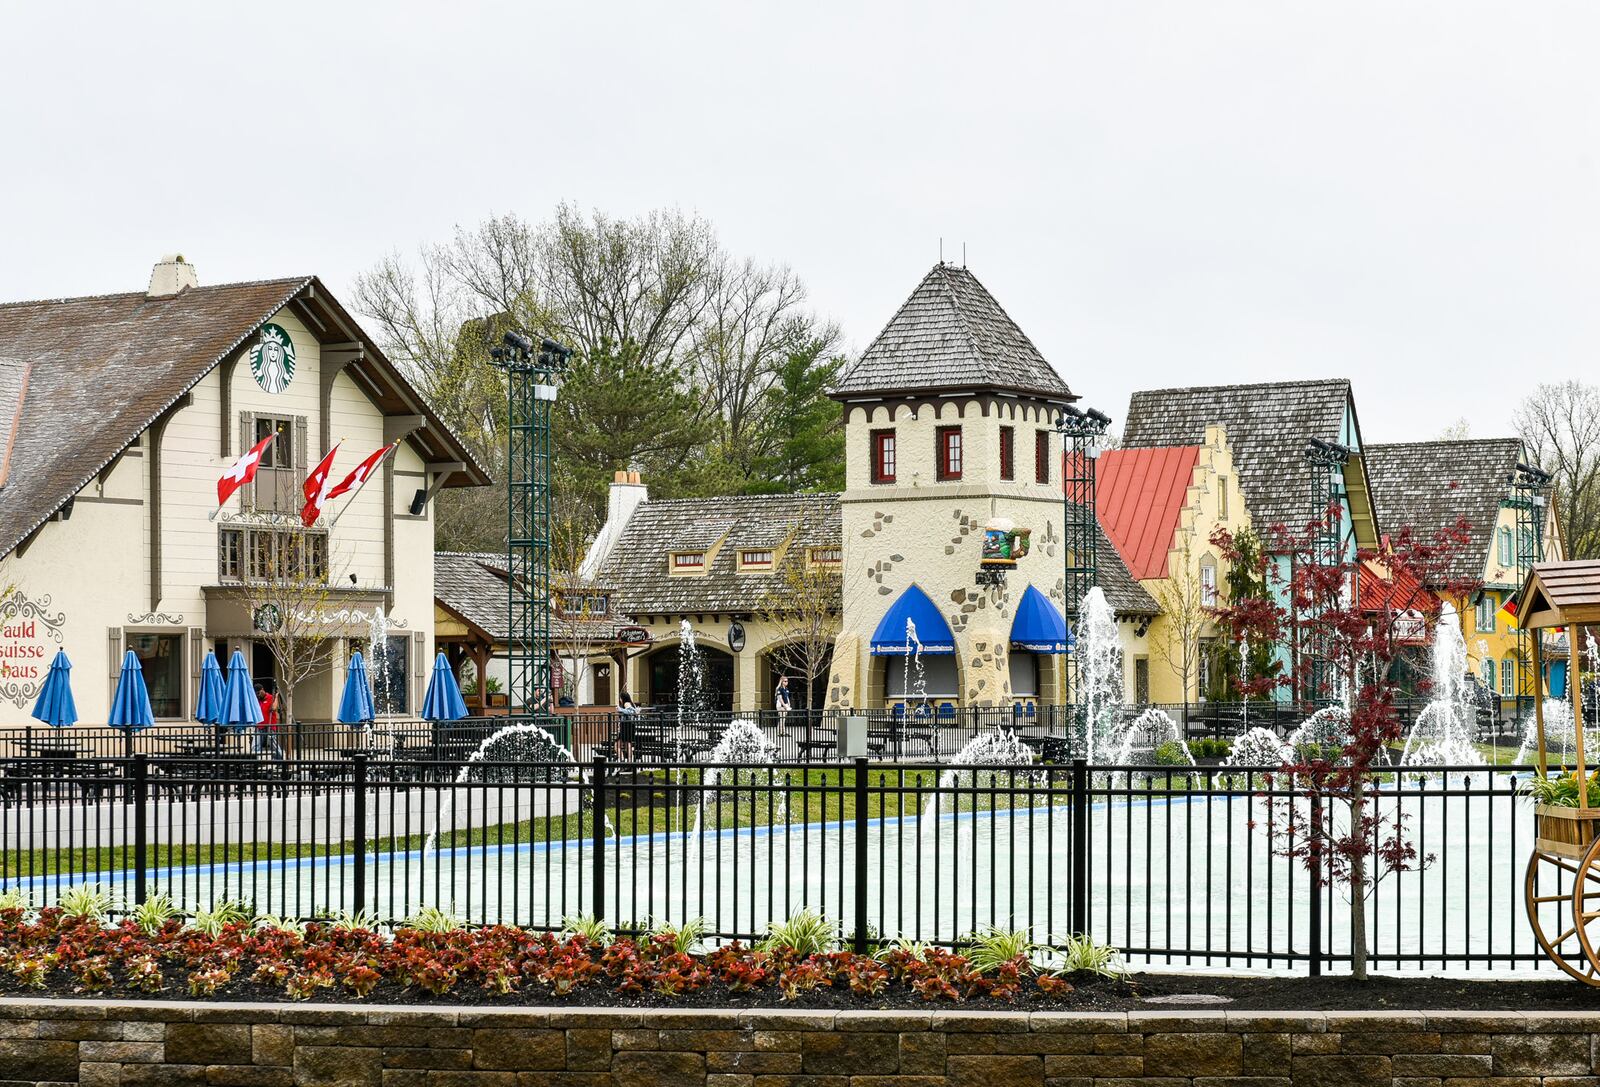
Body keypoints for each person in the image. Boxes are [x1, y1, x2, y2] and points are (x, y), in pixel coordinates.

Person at [254, 681, 284, 760]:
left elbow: (274, 708)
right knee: (255, 745)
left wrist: (276, 697)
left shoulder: (271, 697)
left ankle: (280, 760)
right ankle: (254, 762)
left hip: (269, 726)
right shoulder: (257, 700)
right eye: (256, 693)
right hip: (259, 726)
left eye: (259, 693)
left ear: (262, 690)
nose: (258, 695)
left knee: (273, 745)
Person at [616, 689, 639, 760]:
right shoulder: (631, 703)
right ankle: (627, 761)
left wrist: (620, 709)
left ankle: (625, 762)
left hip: (626, 726)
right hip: (628, 726)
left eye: (620, 698)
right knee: (626, 744)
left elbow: (631, 712)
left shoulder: (626, 704)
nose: (620, 699)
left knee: (620, 745)